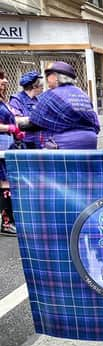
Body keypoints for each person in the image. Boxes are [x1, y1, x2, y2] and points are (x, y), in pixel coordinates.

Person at [28, 61, 100, 149]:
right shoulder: (82, 94)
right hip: (90, 142)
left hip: (65, 145)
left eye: (48, 75)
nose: (46, 79)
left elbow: (35, 119)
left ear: (56, 77)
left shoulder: (50, 95)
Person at [0, 70, 25, 236]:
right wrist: (10, 128)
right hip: (1, 144)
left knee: (8, 181)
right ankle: (7, 222)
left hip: (8, 144)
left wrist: (15, 131)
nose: (5, 80)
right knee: (5, 183)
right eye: (0, 79)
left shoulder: (3, 100)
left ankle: (10, 220)